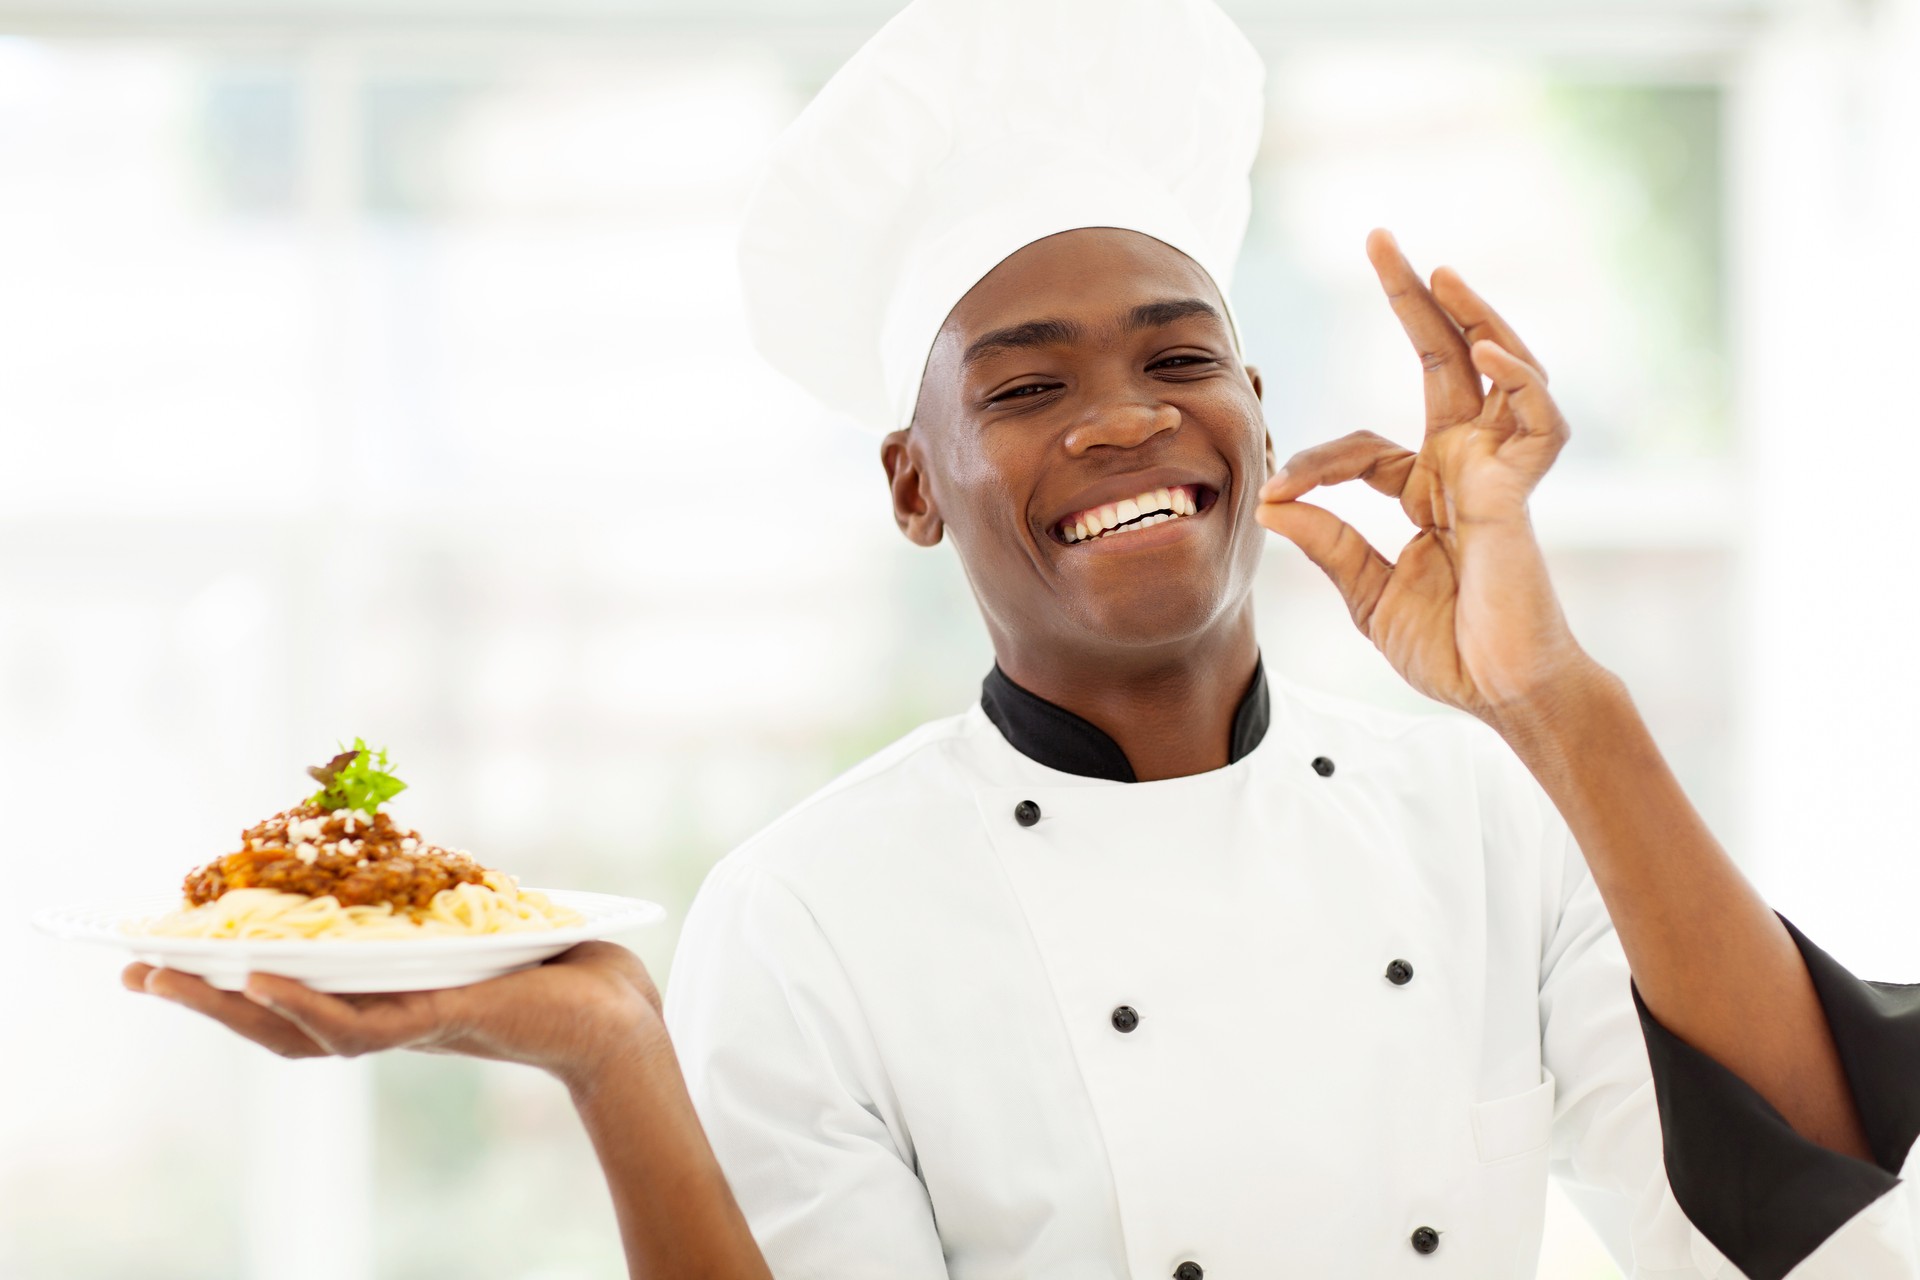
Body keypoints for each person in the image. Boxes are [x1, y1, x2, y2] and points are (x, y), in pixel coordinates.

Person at [128, 1, 1920, 1277]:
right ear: (916, 485)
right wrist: (614, 1055)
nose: (1125, 419)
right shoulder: (812, 907)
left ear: (1263, 419)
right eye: (1031, 385)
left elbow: (1814, 1204)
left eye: (1176, 357)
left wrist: (1553, 700)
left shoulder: (1484, 816)